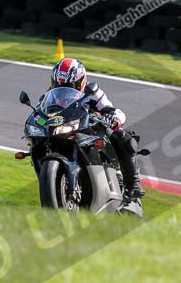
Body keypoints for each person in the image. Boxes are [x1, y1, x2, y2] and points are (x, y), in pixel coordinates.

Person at [49, 57, 145, 205]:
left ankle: (133, 184)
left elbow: (110, 108)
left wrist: (113, 118)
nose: (64, 87)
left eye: (70, 84)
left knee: (123, 137)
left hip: (91, 129)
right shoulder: (52, 94)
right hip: (65, 131)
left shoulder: (93, 92)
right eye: (60, 84)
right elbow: (42, 113)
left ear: (81, 80)